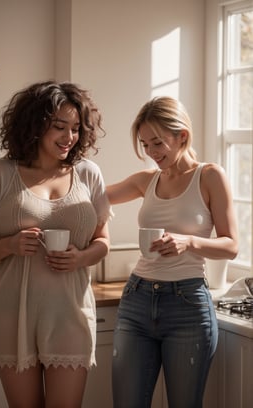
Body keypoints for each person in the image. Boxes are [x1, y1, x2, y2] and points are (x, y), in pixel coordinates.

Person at [0, 80, 111, 408]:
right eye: (59, 126)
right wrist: (10, 245)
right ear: (34, 124)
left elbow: (103, 241)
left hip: (71, 313)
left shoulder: (89, 173)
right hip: (10, 313)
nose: (69, 137)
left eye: (75, 128)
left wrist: (81, 257)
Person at [106, 96, 238, 408]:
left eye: (158, 143)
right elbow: (93, 196)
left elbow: (232, 246)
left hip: (188, 307)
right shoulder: (146, 181)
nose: (151, 153)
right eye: (145, 144)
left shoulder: (210, 176)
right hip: (136, 300)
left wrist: (188, 242)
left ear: (182, 136)